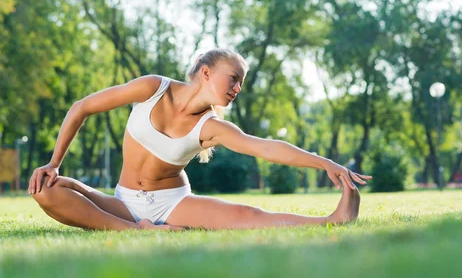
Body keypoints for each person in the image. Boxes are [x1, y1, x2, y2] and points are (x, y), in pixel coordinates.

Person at [29, 49, 370, 231]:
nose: (237, 89)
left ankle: (333, 221)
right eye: (234, 79)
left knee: (248, 216)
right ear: (206, 73)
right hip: (124, 201)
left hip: (173, 203)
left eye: (241, 84)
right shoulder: (153, 88)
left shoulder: (211, 127)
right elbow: (82, 107)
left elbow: (264, 147)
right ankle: (135, 230)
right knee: (45, 190)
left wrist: (324, 162)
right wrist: (54, 162)